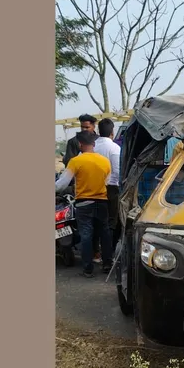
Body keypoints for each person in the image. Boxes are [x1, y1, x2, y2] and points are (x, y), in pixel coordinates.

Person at [55, 131, 113, 278]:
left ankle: (88, 269)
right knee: (104, 234)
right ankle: (107, 264)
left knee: (86, 235)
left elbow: (62, 185)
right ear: (94, 144)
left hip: (83, 203)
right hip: (102, 202)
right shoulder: (105, 161)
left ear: (80, 144)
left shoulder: (76, 161)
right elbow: (108, 181)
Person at [92, 118, 122, 253]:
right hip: (110, 189)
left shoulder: (91, 147)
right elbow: (117, 171)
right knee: (111, 222)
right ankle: (108, 253)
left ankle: (96, 252)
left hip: (91, 189)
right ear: (112, 131)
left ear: (98, 130)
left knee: (95, 221)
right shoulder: (114, 148)